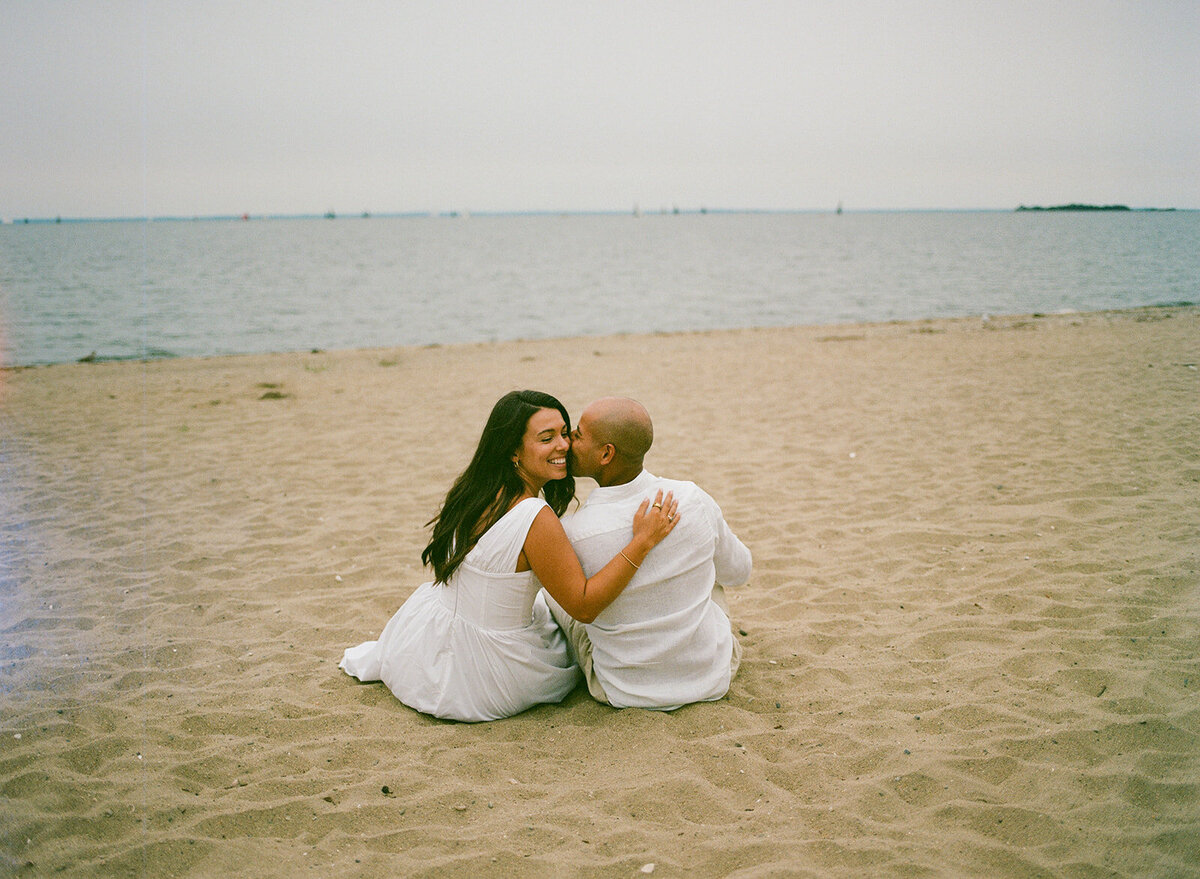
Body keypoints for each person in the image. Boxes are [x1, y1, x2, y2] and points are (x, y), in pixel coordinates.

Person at [339, 390, 679, 722]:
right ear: (513, 451)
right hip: (483, 671)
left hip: (422, 640)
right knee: (569, 630)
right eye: (546, 438)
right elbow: (584, 606)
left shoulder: (476, 489)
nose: (563, 445)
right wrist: (642, 542)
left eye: (564, 432)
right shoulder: (535, 517)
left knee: (547, 605)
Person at [543, 397, 752, 711]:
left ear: (605, 454)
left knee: (550, 597)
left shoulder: (574, 531)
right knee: (711, 573)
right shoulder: (691, 499)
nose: (569, 441)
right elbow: (740, 572)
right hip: (711, 676)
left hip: (624, 690)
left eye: (578, 434)